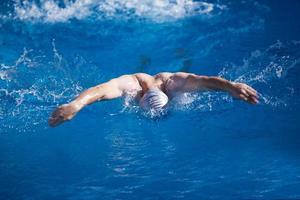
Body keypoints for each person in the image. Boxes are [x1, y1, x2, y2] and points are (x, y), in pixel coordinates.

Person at [49, 72, 259, 127]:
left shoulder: (174, 83)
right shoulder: (131, 84)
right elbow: (101, 90)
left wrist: (231, 86)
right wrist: (76, 104)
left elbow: (205, 81)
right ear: (139, 97)